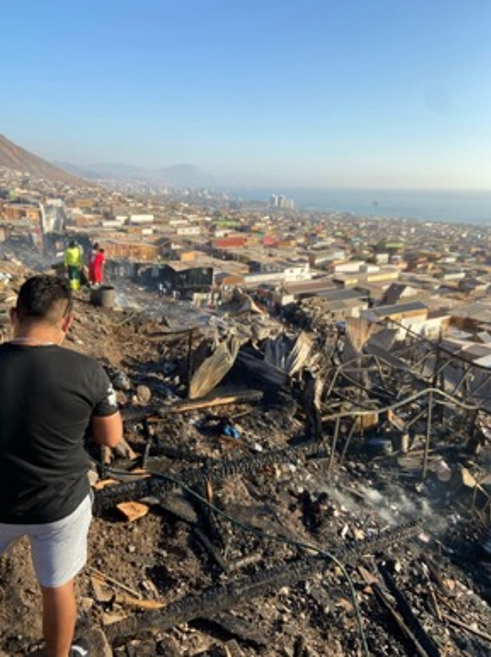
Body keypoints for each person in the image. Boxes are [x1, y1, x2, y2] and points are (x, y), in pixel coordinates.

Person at [0, 275, 123, 657]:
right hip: (58, 506)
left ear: (13, 314)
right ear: (67, 322)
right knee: (57, 586)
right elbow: (109, 438)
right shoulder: (88, 371)